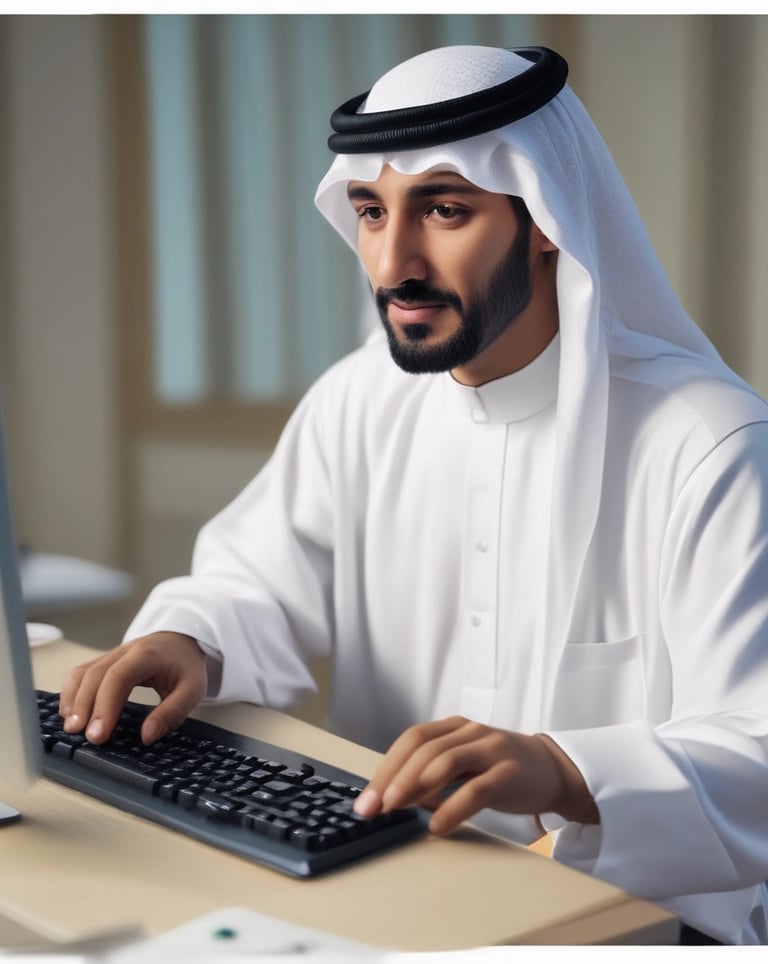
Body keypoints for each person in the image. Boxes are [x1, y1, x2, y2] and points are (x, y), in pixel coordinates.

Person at [60, 45, 768, 944]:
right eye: (369, 211)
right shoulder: (364, 397)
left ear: (544, 218)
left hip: (635, 926)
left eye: (444, 209)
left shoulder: (709, 443)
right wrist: (188, 636)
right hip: (384, 887)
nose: (394, 262)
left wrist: (567, 768)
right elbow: (260, 583)